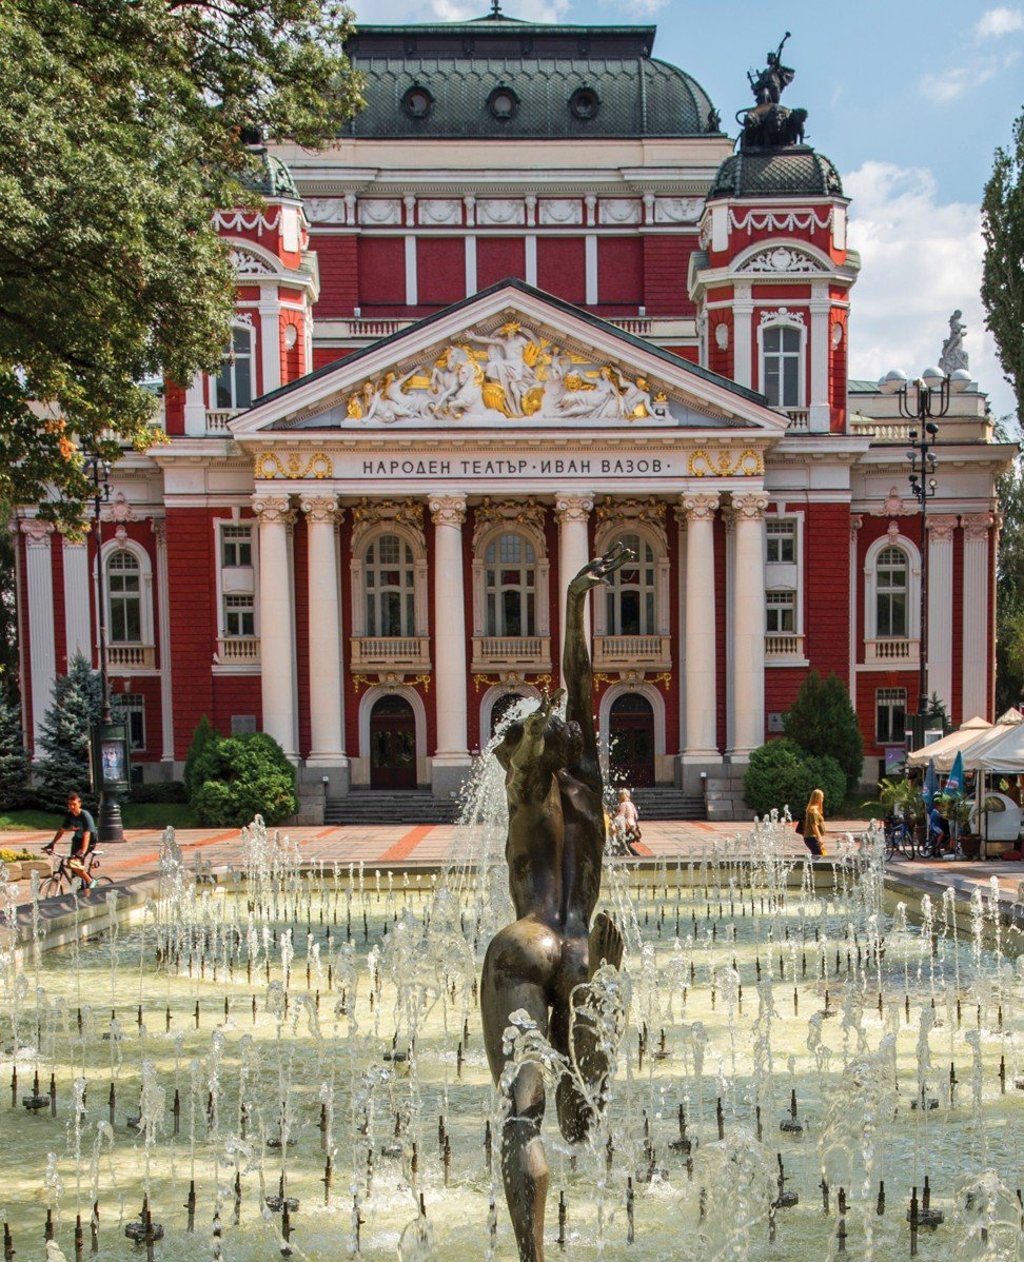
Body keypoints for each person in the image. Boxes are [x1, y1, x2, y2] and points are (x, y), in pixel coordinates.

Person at [480, 544, 629, 1262]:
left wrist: (572, 600)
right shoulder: (587, 782)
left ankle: (532, 1259)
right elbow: (580, 680)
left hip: (527, 941)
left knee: (523, 1117)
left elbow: (558, 706)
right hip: (582, 948)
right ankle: (598, 997)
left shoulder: (526, 784)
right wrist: (574, 603)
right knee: (580, 1121)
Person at [43, 792, 98, 890]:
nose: (72, 807)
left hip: (89, 842)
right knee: (73, 869)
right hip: (77, 841)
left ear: (79, 804)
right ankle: (79, 889)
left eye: (74, 804)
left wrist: (83, 851)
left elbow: (87, 835)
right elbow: (61, 830)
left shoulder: (85, 815)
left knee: (74, 862)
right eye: (69, 804)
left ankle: (90, 881)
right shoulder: (70, 815)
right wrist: (52, 843)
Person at [611, 787, 641, 856]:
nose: (618, 797)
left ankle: (630, 855)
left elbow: (619, 817)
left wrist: (613, 821)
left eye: (620, 796)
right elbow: (636, 816)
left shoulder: (623, 804)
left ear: (622, 796)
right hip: (634, 828)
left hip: (627, 828)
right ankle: (635, 855)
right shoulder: (631, 804)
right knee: (625, 844)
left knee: (620, 842)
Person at [801, 788, 827, 857]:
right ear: (818, 798)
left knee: (817, 855)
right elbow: (814, 825)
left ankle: (810, 863)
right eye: (822, 798)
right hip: (811, 838)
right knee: (818, 856)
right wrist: (820, 838)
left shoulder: (812, 809)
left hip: (810, 838)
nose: (822, 800)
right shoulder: (813, 810)